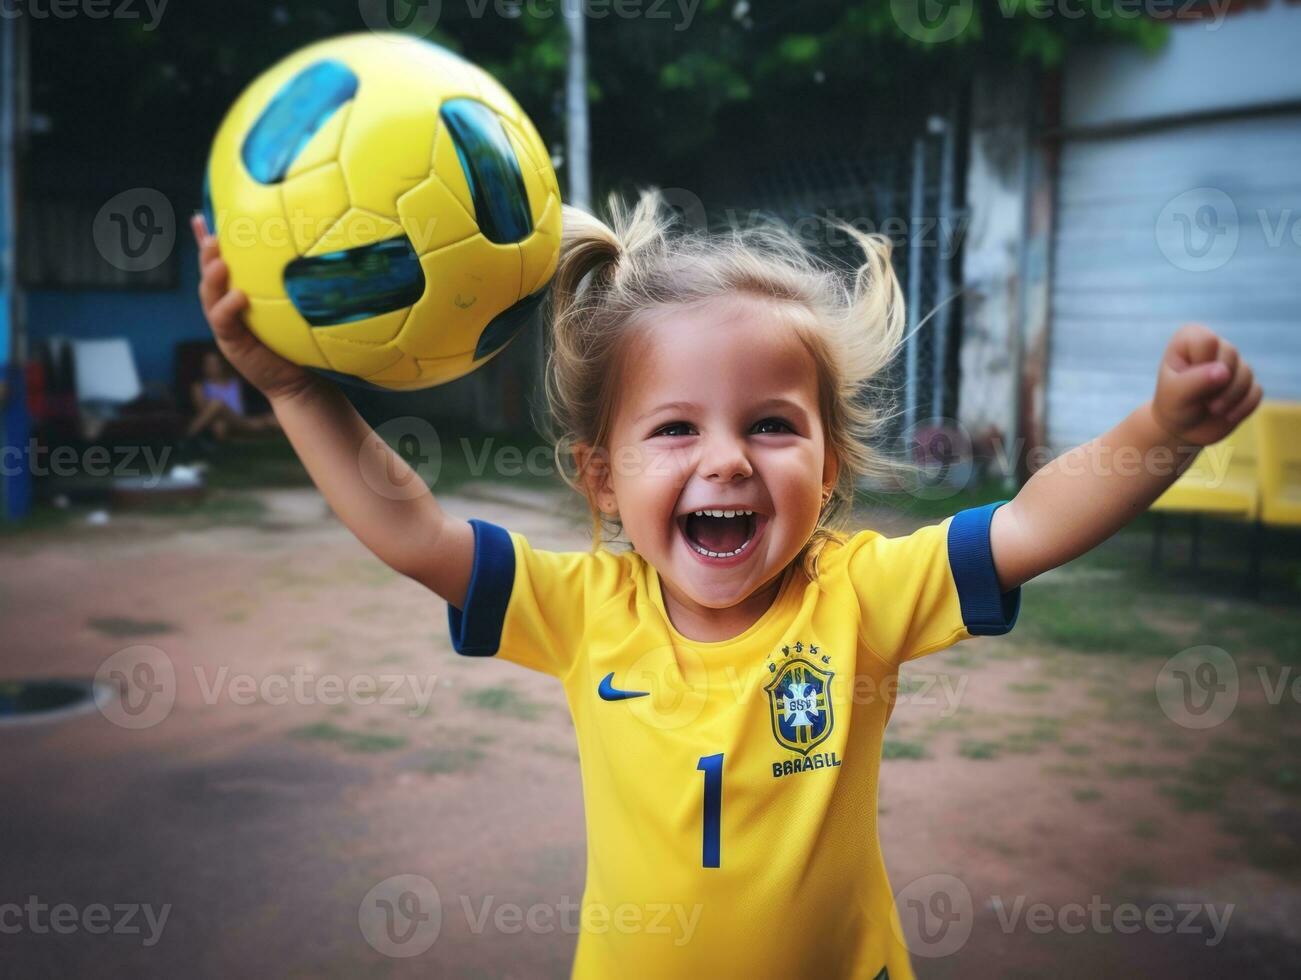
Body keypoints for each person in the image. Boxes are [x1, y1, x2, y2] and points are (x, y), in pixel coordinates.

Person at [191, 192, 1260, 978]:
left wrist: (1155, 433)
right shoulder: (577, 610)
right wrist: (289, 386)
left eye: (770, 423)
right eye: (673, 427)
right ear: (601, 477)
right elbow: (410, 525)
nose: (726, 460)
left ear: (828, 464)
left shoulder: (860, 594)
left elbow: (1027, 523)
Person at [186, 348, 280, 442]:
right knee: (219, 419)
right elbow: (203, 412)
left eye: (215, 364)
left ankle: (187, 437)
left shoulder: (236, 381)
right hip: (217, 420)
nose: (211, 367)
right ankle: (188, 436)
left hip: (241, 420)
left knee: (275, 418)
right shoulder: (199, 386)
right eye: (208, 364)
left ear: (222, 364)